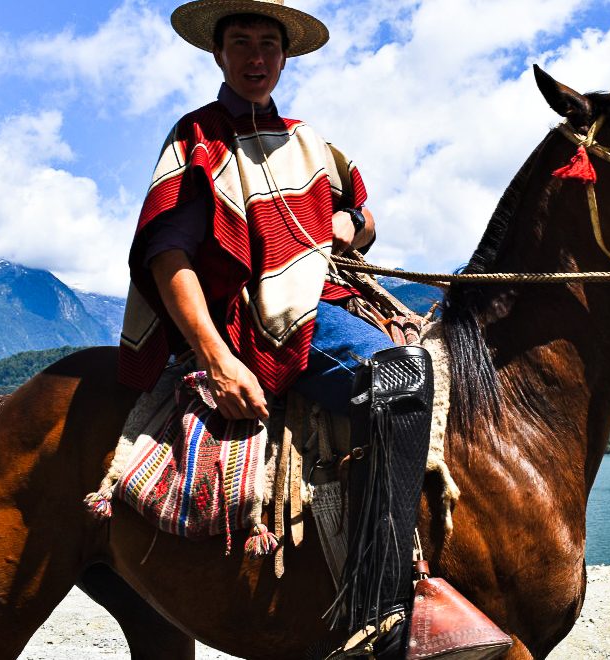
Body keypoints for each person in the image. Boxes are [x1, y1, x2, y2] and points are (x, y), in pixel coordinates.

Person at [117, 2, 488, 657]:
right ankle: (384, 609)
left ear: (285, 58)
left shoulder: (310, 143)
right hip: (251, 324)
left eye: (268, 44)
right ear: (218, 53)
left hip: (329, 309)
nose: (256, 58)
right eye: (241, 43)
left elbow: (361, 214)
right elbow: (166, 254)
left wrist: (354, 227)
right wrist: (217, 359)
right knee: (404, 376)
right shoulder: (197, 138)